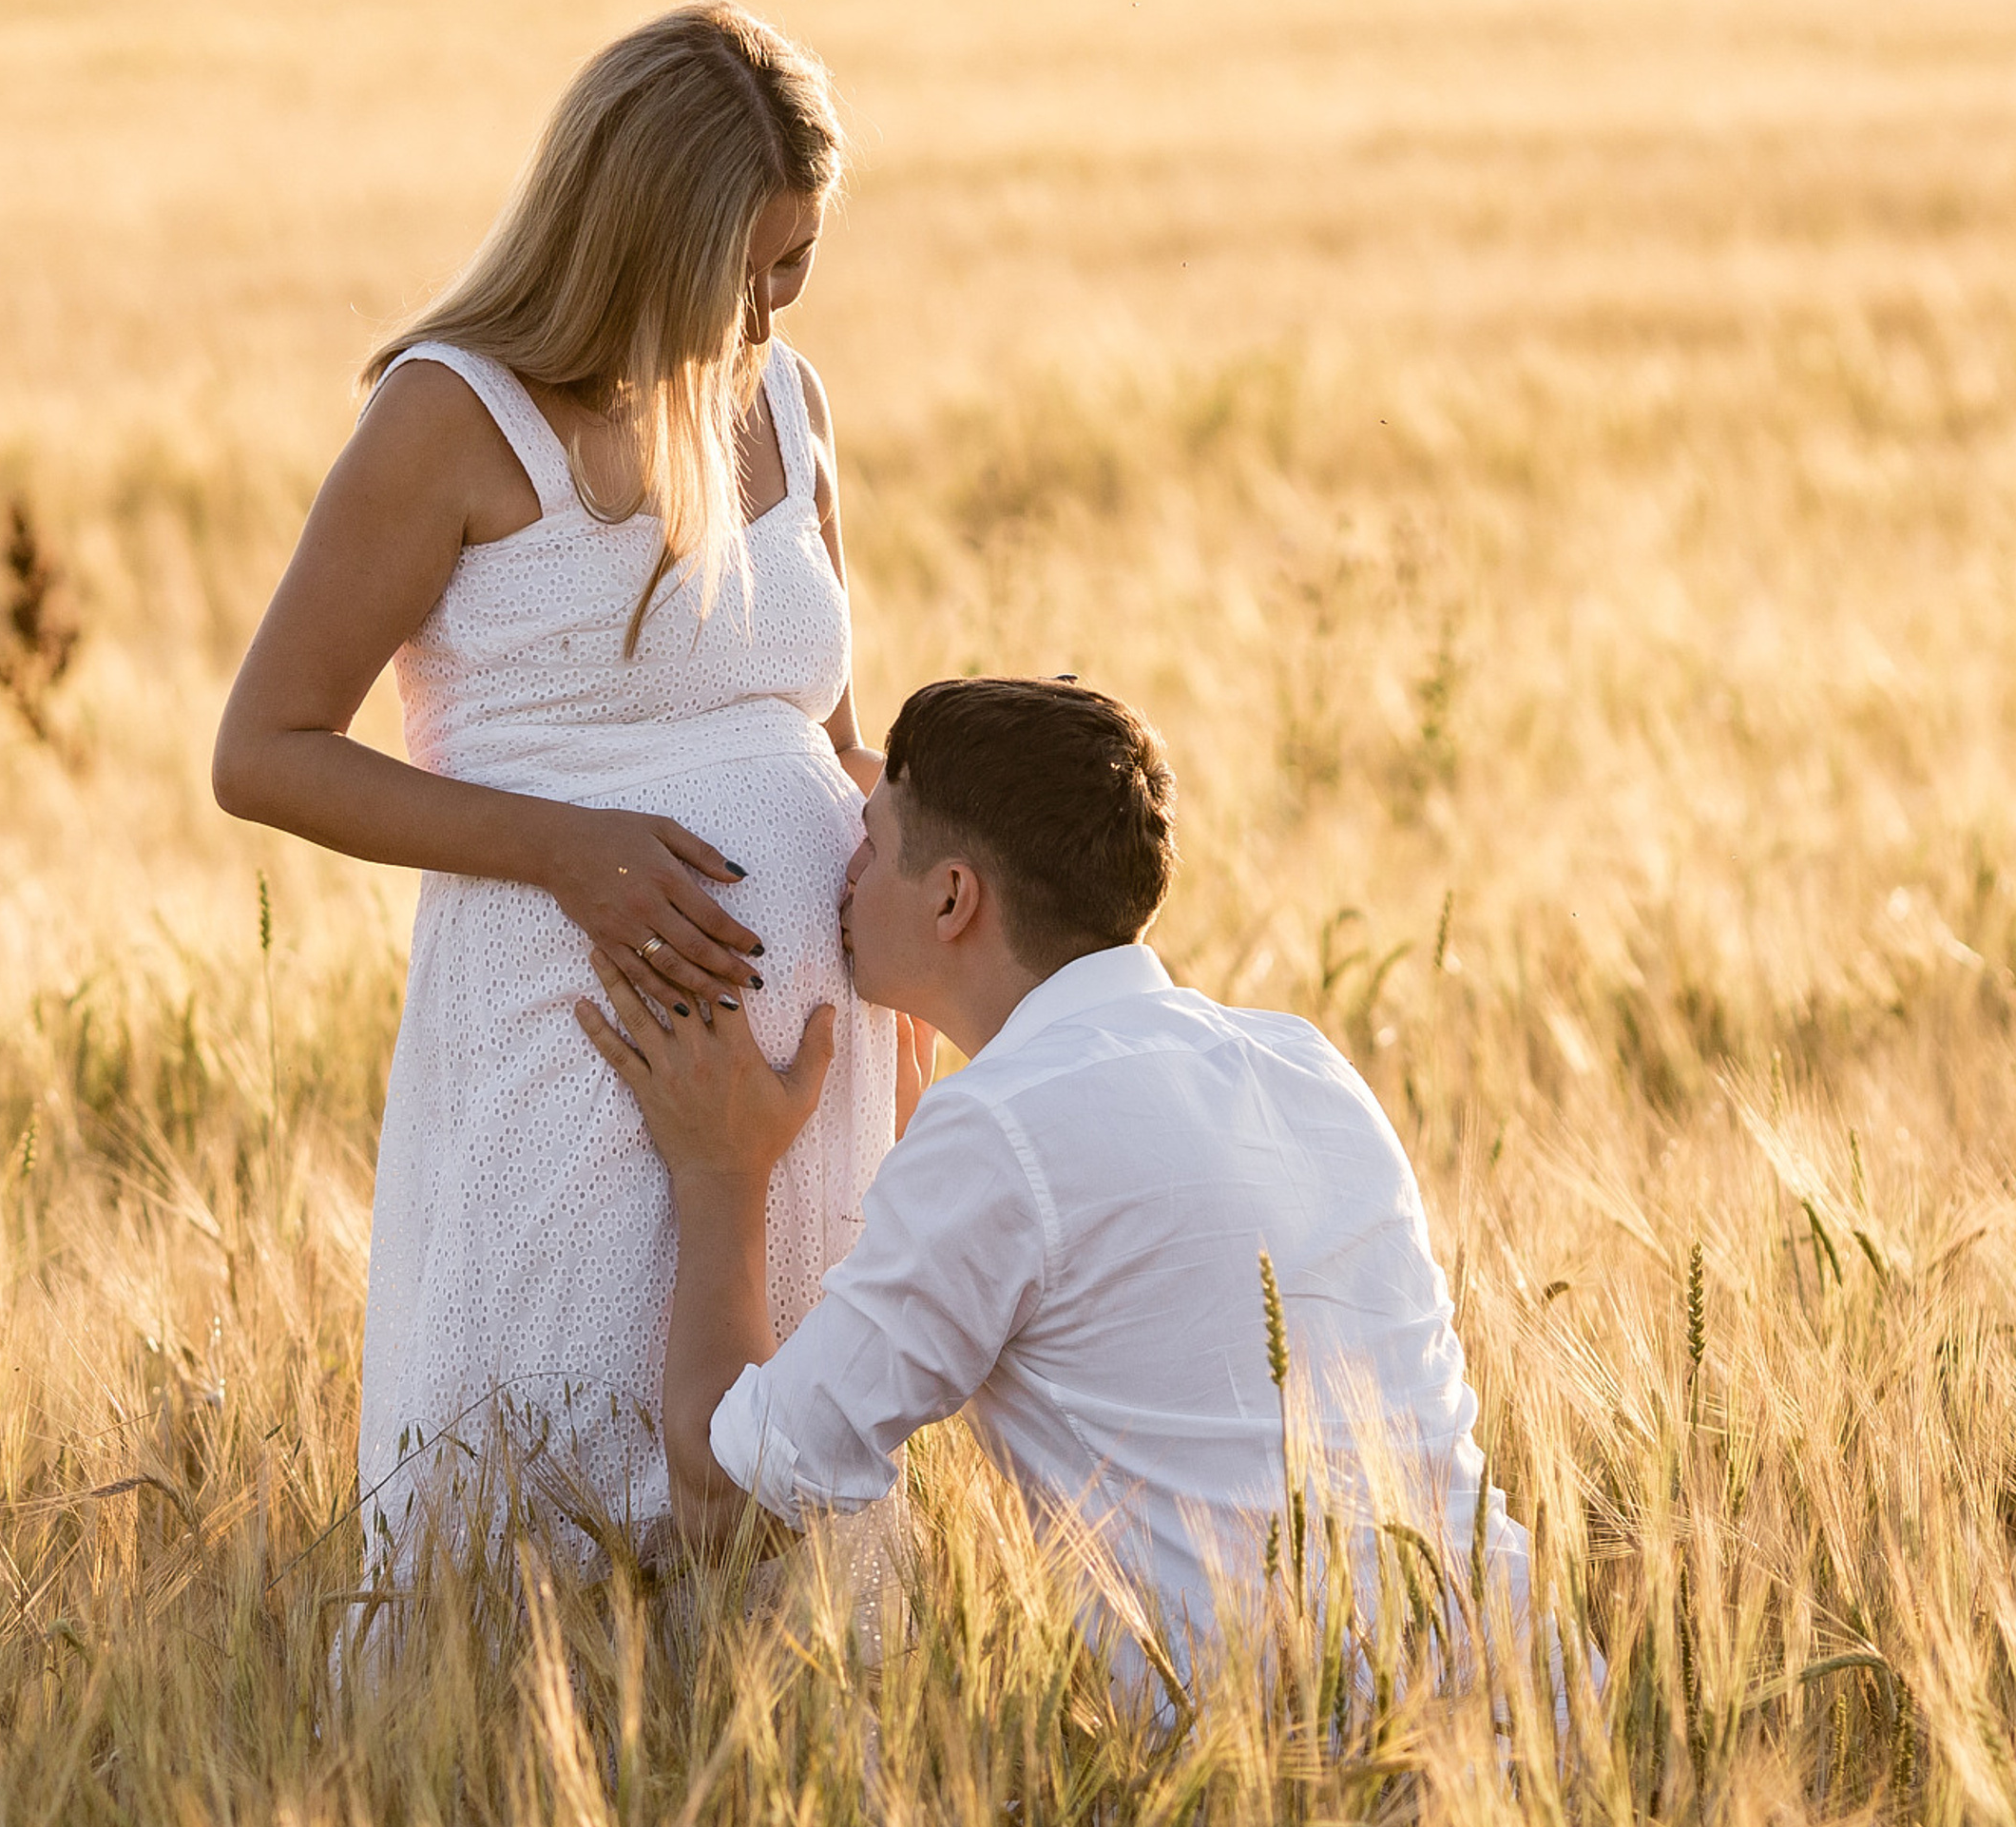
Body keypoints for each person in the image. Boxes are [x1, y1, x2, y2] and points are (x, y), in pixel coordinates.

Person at [213, 2, 925, 1563]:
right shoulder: (450, 417)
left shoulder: (790, 405)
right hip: (569, 1036)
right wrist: (570, 854)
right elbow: (262, 751)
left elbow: (825, 733)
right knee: (550, 1495)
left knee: (783, 1508)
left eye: (797, 262)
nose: (768, 309)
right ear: (630, 238)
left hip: (812, 1076)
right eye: (738, 269)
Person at [574, 675, 1539, 1681]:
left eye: (870, 839)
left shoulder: (1000, 1132)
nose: (842, 875)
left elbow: (727, 1512)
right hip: (1543, 1706)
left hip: (1303, 1768)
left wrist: (720, 1170)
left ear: (952, 897)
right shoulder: (1307, 1065)